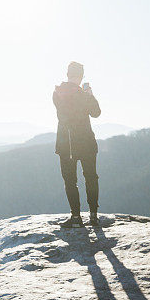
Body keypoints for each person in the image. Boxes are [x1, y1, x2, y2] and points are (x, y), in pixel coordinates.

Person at [53, 61, 101, 228]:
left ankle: (75, 218)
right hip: (86, 142)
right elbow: (96, 113)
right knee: (91, 178)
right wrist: (90, 95)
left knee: (70, 181)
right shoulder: (84, 94)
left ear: (67, 74)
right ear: (81, 77)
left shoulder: (57, 93)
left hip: (66, 144)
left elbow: (65, 115)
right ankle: (93, 216)